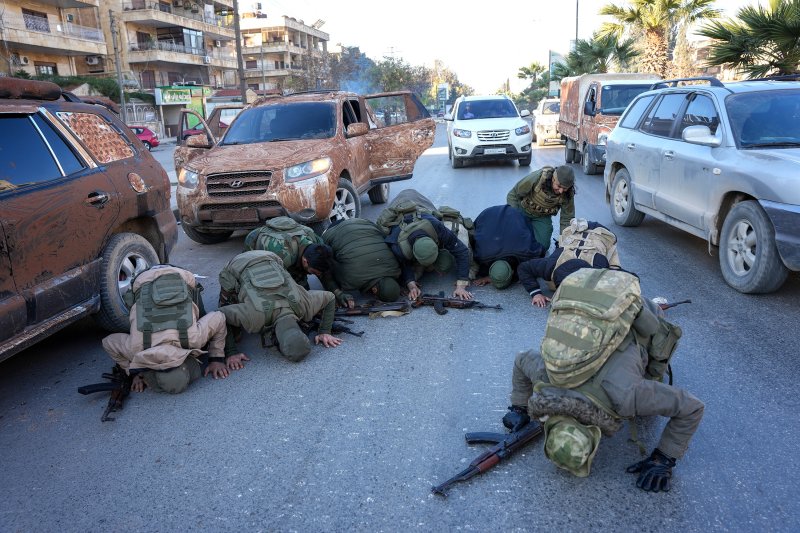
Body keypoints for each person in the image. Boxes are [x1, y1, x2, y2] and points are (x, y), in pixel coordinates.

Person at [503, 268, 703, 492]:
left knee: (658, 354)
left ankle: (657, 307)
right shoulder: (546, 375)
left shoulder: (627, 397)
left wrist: (664, 459)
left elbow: (691, 407)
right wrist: (519, 407)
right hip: (595, 309)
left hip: (640, 312)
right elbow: (522, 359)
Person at [101, 265, 249, 394]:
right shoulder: (136, 349)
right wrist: (132, 371)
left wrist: (216, 359)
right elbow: (108, 342)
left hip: (176, 275)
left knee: (198, 313)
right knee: (135, 314)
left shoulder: (193, 339)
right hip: (146, 279)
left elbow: (219, 317)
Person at [218, 250, 341, 362]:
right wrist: (231, 352)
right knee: (234, 330)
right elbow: (220, 315)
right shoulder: (255, 318)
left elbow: (330, 297)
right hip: (238, 263)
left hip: (270, 256)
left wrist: (325, 331)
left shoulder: (304, 305)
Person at [380, 190, 473, 300]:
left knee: (445, 263)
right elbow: (404, 264)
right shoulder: (397, 245)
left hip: (420, 202)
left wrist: (461, 286)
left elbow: (462, 251)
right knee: (402, 278)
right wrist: (412, 285)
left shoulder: (436, 226)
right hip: (398, 205)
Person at [518, 219, 621, 307]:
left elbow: (624, 278)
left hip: (603, 235)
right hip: (575, 230)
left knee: (614, 268)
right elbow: (523, 268)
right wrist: (536, 293)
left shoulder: (598, 268)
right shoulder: (550, 266)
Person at [320, 218, 403, 307]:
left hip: (363, 223)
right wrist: (338, 293)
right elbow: (327, 272)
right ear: (375, 290)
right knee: (323, 257)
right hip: (332, 231)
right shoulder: (352, 280)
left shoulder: (395, 267)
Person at [243, 216, 333, 289]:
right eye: (314, 272)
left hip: (289, 250)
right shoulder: (282, 254)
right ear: (305, 261)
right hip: (254, 240)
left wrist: (337, 293)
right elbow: (278, 287)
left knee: (304, 290)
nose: (316, 275)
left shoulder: (317, 242)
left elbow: (324, 271)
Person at [469, 205, 545, 289]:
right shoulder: (482, 256)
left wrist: (521, 275)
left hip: (504, 214)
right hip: (489, 214)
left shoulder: (525, 253)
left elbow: (541, 251)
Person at [507, 165, 576, 251]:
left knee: (543, 247)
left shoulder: (568, 193)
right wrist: (514, 218)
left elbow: (567, 218)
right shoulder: (537, 178)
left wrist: (564, 242)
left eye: (565, 188)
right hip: (522, 211)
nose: (561, 191)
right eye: (559, 186)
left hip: (542, 217)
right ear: (553, 179)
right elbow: (513, 194)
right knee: (513, 241)